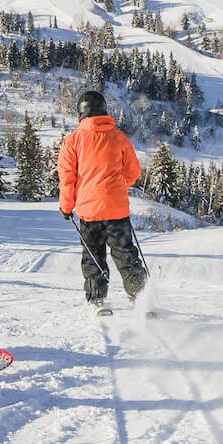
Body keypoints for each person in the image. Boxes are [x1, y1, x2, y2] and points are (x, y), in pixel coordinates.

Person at [58, 89, 148, 309]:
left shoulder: (73, 140)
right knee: (125, 253)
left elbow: (67, 178)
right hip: (117, 209)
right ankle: (140, 297)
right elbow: (133, 172)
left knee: (93, 254)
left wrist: (66, 206)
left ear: (81, 112)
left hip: (89, 211)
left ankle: (97, 297)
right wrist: (116, 187)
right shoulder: (118, 137)